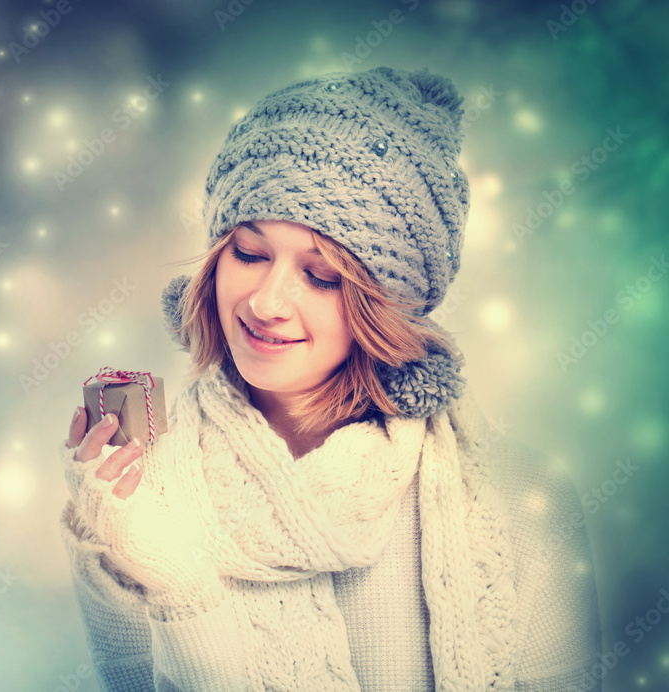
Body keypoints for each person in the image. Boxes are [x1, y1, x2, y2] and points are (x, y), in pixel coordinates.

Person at [58, 66, 603, 691]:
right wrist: (158, 572)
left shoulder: (523, 500)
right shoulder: (141, 493)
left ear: (384, 306)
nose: (266, 303)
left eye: (321, 276)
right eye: (250, 253)